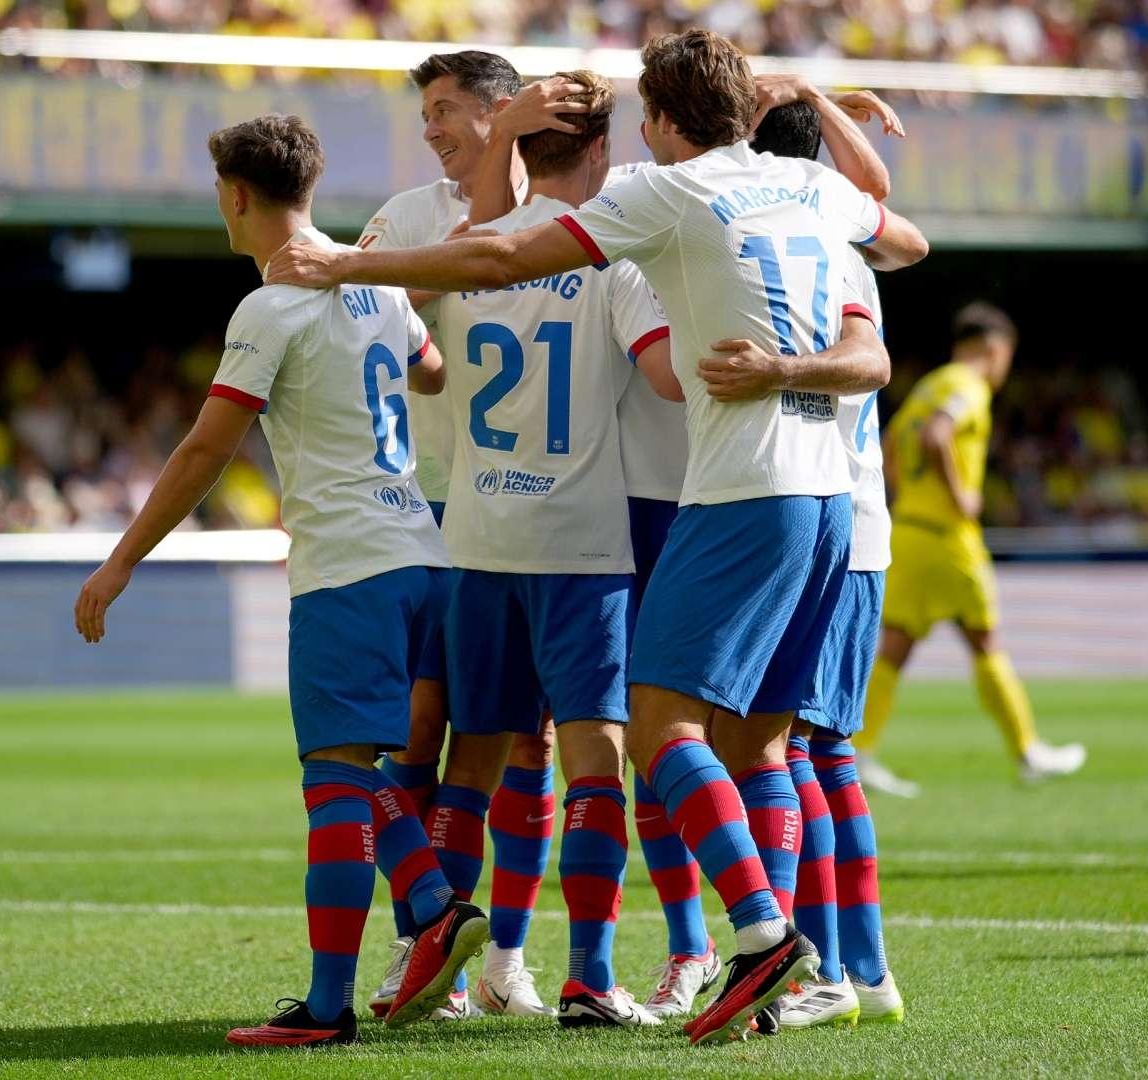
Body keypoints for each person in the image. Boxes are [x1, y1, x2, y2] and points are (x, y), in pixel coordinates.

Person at [263, 29, 930, 1043]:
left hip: (696, 500)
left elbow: (494, 251)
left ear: (660, 124)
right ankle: (742, 963)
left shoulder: (661, 199)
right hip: (829, 500)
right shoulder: (810, 192)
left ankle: (756, 938)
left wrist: (345, 265)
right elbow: (902, 246)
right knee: (761, 747)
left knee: (647, 733)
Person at [71, 114, 487, 1047]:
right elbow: (431, 373)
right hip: (425, 554)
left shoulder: (270, 305)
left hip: (349, 566)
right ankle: (432, 904)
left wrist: (121, 559)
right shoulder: (371, 283)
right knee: (357, 766)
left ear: (237, 196)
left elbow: (207, 447)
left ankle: (331, 1007)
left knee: (333, 778)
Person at [432, 70, 682, 1027]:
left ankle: (445, 977)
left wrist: (504, 139)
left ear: (522, 152)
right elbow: (665, 381)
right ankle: (589, 977)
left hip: (480, 543)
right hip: (581, 548)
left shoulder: (471, 254)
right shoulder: (619, 265)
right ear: (606, 156)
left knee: (473, 765)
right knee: (592, 766)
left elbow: (475, 233)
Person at [357, 50, 560, 1021]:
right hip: (431, 512)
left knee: (526, 742)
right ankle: (422, 949)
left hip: (539, 516)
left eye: (446, 110)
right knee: (420, 735)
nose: (430, 127)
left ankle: (505, 961)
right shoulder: (404, 218)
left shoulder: (567, 205)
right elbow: (361, 323)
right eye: (425, 112)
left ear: (502, 112)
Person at [745, 98, 903, 1031]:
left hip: (825, 513)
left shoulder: (783, 240)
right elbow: (886, 203)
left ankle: (826, 968)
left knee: (792, 747)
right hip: (858, 517)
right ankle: (867, 965)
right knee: (825, 749)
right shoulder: (841, 237)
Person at [859, 303, 1087, 792]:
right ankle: (1028, 750)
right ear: (995, 350)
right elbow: (940, 435)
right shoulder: (968, 385)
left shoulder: (928, 385)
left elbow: (892, 442)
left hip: (910, 529)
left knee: (896, 644)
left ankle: (859, 751)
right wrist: (960, 493)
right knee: (985, 640)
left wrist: (906, 493)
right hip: (947, 537)